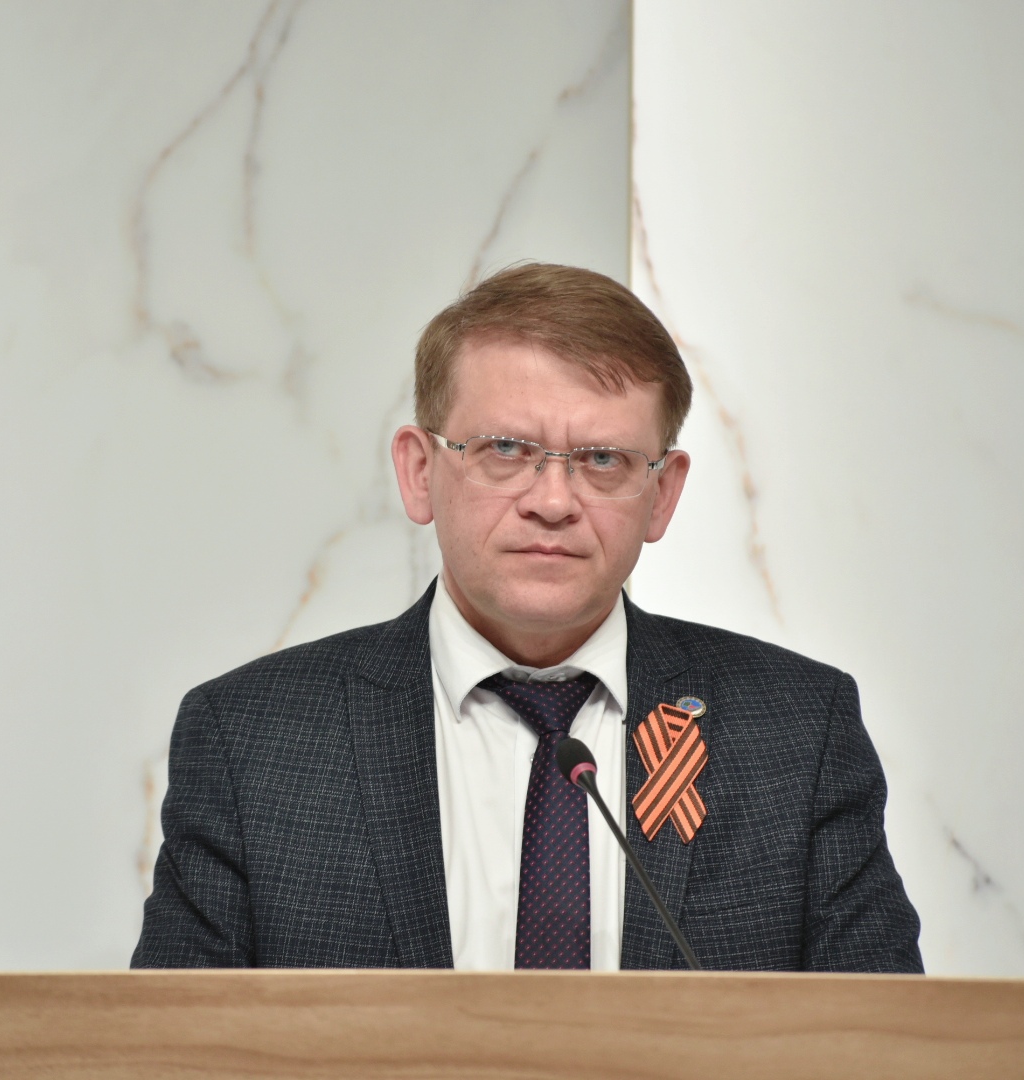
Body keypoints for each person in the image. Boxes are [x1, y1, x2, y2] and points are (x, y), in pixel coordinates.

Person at [132, 263, 921, 972]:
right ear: (419, 472)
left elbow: (889, 1052)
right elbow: (171, 1056)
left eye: (603, 460)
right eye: (506, 450)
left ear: (662, 494)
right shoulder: (251, 740)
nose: (552, 502)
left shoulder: (797, 732)